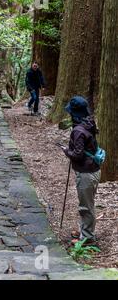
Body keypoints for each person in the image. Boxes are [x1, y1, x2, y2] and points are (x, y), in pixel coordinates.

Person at [62, 96, 101, 246]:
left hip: (86, 173)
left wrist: (66, 151)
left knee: (86, 206)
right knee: (87, 203)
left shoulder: (78, 130)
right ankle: (84, 231)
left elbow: (77, 154)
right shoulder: (89, 122)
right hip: (93, 170)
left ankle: (87, 239)